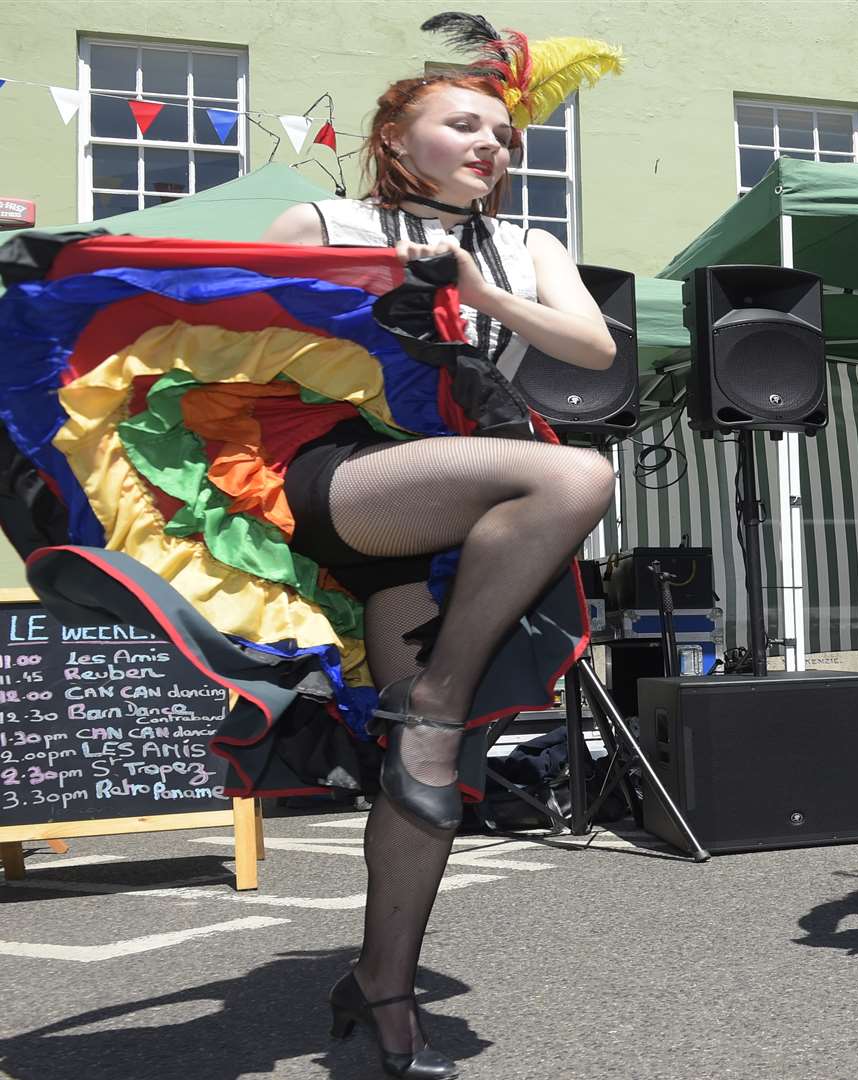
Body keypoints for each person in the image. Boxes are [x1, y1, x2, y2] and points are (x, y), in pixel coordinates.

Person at [258, 18, 622, 1076]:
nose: (491, 145)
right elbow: (214, 318)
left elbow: (593, 350)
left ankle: (382, 986)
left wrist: (477, 284)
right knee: (580, 473)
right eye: (464, 124)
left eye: (503, 134)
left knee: (426, 775)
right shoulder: (324, 218)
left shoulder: (527, 245)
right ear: (396, 138)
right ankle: (437, 693)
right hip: (352, 479)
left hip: (466, 506)